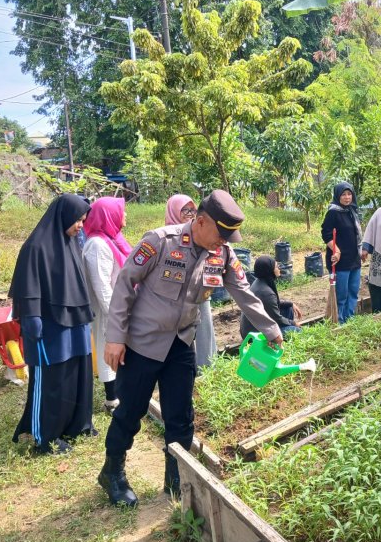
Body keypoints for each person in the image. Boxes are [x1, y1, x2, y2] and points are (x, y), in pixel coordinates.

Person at [98, 190, 283, 507]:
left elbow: (242, 291)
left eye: (229, 237)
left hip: (181, 343)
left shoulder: (221, 254)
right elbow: (125, 284)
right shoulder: (160, 241)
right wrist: (115, 336)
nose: (223, 242)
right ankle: (112, 473)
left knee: (181, 417)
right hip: (143, 343)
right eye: (220, 234)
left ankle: (176, 481)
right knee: (130, 411)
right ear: (200, 221)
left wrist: (271, 327)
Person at [9, 193, 95, 454]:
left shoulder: (71, 243)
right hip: (50, 325)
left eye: (83, 220)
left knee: (77, 374)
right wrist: (32, 320)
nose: (81, 225)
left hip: (76, 321)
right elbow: (28, 286)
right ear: (63, 216)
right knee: (51, 380)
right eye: (77, 220)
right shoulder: (35, 247)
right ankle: (44, 436)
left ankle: (77, 425)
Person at [82, 197, 132, 413]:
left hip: (119, 305)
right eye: (122, 212)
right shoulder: (97, 244)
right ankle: (112, 399)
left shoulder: (112, 238)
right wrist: (116, 316)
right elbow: (101, 286)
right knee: (107, 347)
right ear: (108, 215)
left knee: (118, 350)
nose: (125, 216)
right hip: (107, 309)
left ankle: (122, 393)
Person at [165, 193, 217, 369]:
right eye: (184, 210)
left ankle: (207, 369)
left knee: (204, 332)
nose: (189, 213)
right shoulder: (166, 239)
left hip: (200, 292)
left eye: (192, 209)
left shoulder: (200, 233)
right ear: (173, 211)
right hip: (175, 298)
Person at [321, 182, 362, 324]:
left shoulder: (352, 211)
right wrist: (336, 250)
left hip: (354, 259)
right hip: (340, 260)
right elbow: (326, 234)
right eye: (343, 194)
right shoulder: (333, 212)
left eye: (349, 194)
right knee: (341, 294)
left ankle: (350, 318)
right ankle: (339, 321)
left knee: (353, 291)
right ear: (337, 196)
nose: (347, 197)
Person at [240, 256, 303, 339]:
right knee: (298, 331)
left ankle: (282, 332)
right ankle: (279, 338)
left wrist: (290, 303)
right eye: (276, 266)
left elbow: (273, 304)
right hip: (255, 335)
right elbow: (276, 318)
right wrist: (293, 323)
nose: (279, 268)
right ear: (269, 270)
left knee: (288, 308)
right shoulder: (266, 292)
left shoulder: (259, 281)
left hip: (255, 326)